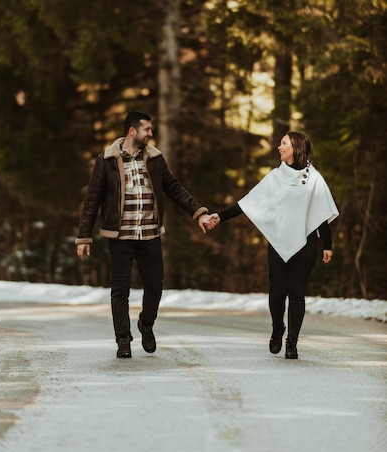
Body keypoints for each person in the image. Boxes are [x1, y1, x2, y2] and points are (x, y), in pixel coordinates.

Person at [76, 111, 210, 359]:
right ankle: (123, 340)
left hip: (149, 235)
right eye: (147, 129)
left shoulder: (155, 159)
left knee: (154, 287)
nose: (151, 133)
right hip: (120, 237)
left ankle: (146, 324)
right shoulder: (106, 161)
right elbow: (91, 201)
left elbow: (174, 188)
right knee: (120, 291)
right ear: (132, 131)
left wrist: (198, 212)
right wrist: (84, 237)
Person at [203, 132, 339, 360]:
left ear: (296, 147)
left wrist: (328, 244)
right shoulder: (275, 177)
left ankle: (292, 343)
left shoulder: (314, 178)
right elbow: (248, 201)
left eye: (283, 143)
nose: (279, 147)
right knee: (277, 294)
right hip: (278, 243)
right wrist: (221, 216)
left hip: (306, 243)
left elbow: (320, 214)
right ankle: (278, 327)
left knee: (297, 293)